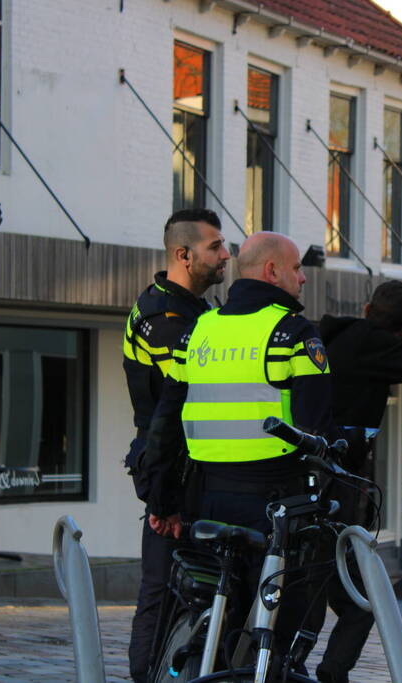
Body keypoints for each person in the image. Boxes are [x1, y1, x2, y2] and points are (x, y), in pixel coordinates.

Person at [145, 231, 336, 668]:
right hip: (275, 504)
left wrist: (163, 499)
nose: (302, 279)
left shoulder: (200, 330)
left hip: (206, 501)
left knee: (221, 614)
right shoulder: (292, 334)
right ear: (272, 271)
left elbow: (166, 424)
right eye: (295, 268)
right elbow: (318, 430)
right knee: (279, 628)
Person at [310, 280, 402, 683]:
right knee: (361, 596)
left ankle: (292, 666)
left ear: (366, 307)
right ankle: (331, 672)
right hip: (338, 487)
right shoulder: (373, 347)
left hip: (309, 481)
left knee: (310, 584)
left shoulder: (341, 337)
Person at [122, 208, 230, 683]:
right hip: (172, 479)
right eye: (215, 247)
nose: (226, 255)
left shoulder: (193, 310)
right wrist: (165, 499)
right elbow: (173, 415)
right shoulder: (164, 318)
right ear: (183, 255)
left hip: (186, 477)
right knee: (164, 597)